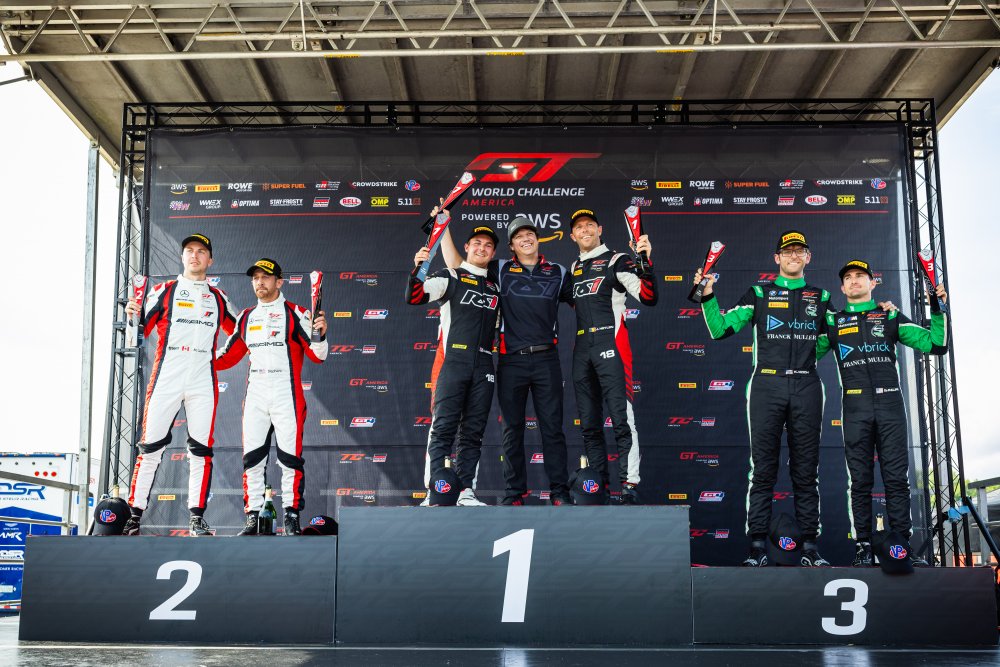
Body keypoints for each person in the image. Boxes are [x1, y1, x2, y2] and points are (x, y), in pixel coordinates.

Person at [695, 230, 832, 566]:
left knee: (806, 470)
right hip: (766, 385)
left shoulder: (823, 296)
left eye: (799, 251)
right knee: (763, 469)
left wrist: (807, 357)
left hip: (807, 385)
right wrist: (707, 295)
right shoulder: (759, 293)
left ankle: (810, 547)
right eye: (787, 251)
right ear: (777, 258)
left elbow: (837, 336)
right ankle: (757, 546)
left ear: (808, 257)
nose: (793, 256)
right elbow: (719, 329)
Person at [818, 259, 947, 567]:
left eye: (860, 276)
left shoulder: (889, 315)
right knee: (860, 481)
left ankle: (902, 545)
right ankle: (863, 546)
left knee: (896, 478)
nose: (854, 280)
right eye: (848, 277)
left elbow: (936, 344)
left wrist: (938, 309)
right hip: (855, 406)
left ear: (873, 282)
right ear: (842, 287)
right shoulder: (832, 321)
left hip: (890, 404)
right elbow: (801, 354)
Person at [438, 215, 574, 506]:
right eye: (518, 236)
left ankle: (560, 492)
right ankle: (514, 494)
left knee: (552, 429)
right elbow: (458, 266)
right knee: (512, 429)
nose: (526, 239)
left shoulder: (559, 272)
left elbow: (587, 301)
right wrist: (443, 228)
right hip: (511, 361)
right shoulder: (498, 269)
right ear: (511, 246)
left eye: (530, 234)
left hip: (547, 359)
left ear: (537, 239)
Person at [123, 233, 237, 536]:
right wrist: (132, 316)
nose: (195, 256)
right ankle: (134, 515)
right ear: (182, 256)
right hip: (167, 376)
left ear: (210, 260)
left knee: (201, 451)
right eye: (189, 250)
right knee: (150, 447)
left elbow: (241, 333)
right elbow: (137, 335)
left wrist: (220, 359)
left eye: (201, 251)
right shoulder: (163, 291)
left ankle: (196, 518)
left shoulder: (218, 297)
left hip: (202, 380)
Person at [216, 258, 328, 536]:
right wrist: (195, 357)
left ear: (279, 281)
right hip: (256, 395)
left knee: (290, 459)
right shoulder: (246, 317)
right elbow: (226, 356)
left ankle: (291, 515)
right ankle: (253, 516)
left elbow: (318, 355)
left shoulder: (297, 313)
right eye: (255, 278)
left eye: (265, 277)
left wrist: (321, 335)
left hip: (286, 394)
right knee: (252, 459)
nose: (259, 282)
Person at [568, 208, 658, 504]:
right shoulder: (573, 268)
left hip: (612, 344)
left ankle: (629, 485)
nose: (585, 230)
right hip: (582, 350)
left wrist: (645, 262)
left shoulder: (617, 260)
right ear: (572, 236)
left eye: (589, 225)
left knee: (621, 419)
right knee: (589, 425)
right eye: (579, 227)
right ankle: (598, 487)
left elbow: (647, 297)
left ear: (600, 229)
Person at [407, 225, 501, 506]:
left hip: (484, 365)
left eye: (488, 245)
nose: (482, 248)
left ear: (493, 253)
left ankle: (465, 491)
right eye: (477, 243)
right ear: (467, 247)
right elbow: (414, 296)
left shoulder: (496, 287)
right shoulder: (451, 276)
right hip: (454, 363)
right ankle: (435, 491)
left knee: (473, 433)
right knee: (443, 428)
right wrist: (420, 268)